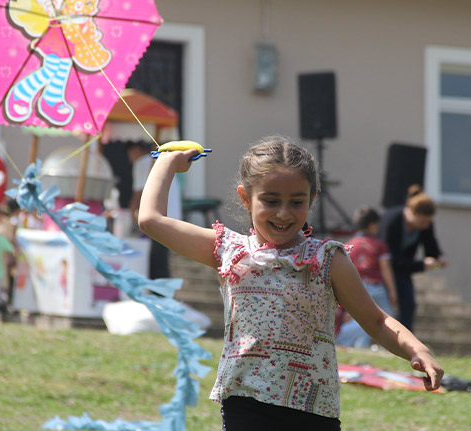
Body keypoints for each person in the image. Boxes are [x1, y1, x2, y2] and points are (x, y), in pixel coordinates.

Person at [138, 135, 443, 430]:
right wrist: (167, 162)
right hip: (246, 405)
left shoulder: (327, 259)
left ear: (312, 198)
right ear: (246, 198)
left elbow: (376, 321)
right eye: (270, 201)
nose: (284, 213)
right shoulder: (229, 251)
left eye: (296, 202)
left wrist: (417, 350)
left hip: (313, 412)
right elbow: (151, 219)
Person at [379, 185, 447, 333]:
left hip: (402, 268)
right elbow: (392, 260)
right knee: (386, 304)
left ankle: (405, 339)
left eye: (428, 222)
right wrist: (422, 265)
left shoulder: (425, 225)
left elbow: (430, 244)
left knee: (408, 304)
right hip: (382, 269)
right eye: (422, 222)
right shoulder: (393, 222)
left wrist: (438, 257)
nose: (425, 226)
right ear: (411, 212)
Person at [335, 205, 397, 349]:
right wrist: (392, 290)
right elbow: (385, 268)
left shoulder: (350, 244)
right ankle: (389, 348)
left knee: (362, 319)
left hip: (357, 287)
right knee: (387, 321)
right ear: (373, 225)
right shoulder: (379, 245)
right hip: (376, 288)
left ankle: (360, 346)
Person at [126, 140, 182, 280]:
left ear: (137, 150)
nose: (130, 158)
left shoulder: (143, 163)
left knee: (156, 259)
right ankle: (163, 291)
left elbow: (137, 194)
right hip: (173, 215)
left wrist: (130, 214)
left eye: (130, 154)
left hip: (159, 216)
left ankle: (160, 292)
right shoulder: (159, 160)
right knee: (161, 257)